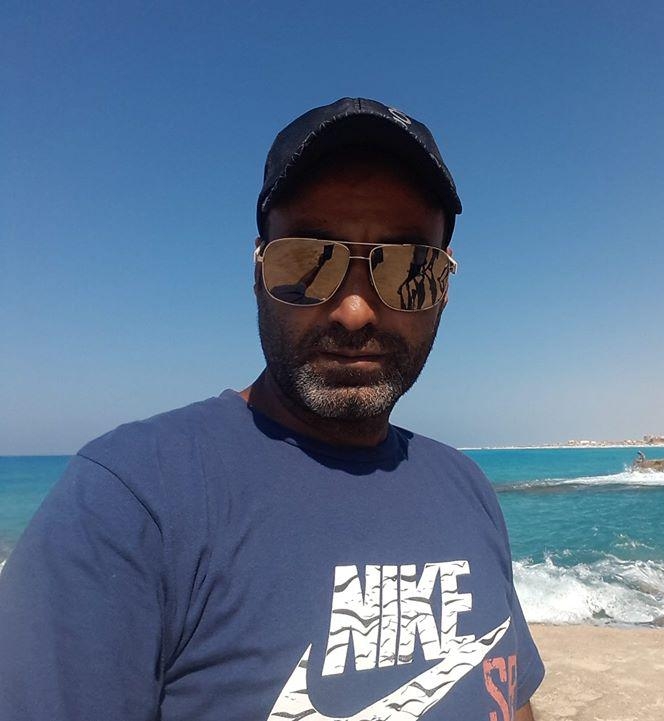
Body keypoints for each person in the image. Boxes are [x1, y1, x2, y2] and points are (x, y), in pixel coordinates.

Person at [0, 97, 544, 720]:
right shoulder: (130, 501)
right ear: (258, 272)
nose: (355, 312)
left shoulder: (466, 489)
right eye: (309, 262)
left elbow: (509, 695)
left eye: (409, 269)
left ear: (443, 290)